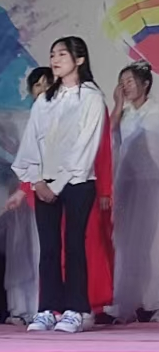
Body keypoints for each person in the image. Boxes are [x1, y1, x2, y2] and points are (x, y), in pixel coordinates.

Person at [11, 38, 108, 334]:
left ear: (79, 59)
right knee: (49, 247)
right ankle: (47, 309)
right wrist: (37, 180)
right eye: (52, 54)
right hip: (45, 183)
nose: (55, 59)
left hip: (77, 182)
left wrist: (58, 184)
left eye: (62, 54)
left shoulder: (91, 97)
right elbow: (31, 142)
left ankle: (76, 309)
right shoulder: (45, 100)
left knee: (75, 245)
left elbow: (85, 145)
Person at [109, 63, 159, 322]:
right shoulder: (123, 115)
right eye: (122, 82)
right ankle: (126, 302)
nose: (125, 86)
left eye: (129, 81)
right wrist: (117, 105)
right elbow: (110, 141)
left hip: (154, 184)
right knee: (125, 244)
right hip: (126, 185)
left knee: (155, 243)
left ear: (145, 83)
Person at [1, 68, 49, 325]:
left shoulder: (56, 119)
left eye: (47, 85)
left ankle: (41, 306)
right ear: (30, 90)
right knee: (20, 251)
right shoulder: (19, 119)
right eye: (37, 85)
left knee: (42, 249)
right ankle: (19, 308)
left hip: (44, 191)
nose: (42, 90)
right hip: (18, 193)